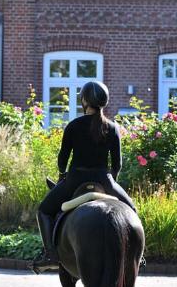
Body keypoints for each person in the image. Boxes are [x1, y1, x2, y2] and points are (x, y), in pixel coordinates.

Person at [32, 80, 137, 272]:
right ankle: (136, 254)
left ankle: (51, 255)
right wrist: (111, 180)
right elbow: (117, 164)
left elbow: (63, 158)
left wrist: (62, 175)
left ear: (84, 101)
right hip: (105, 181)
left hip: (75, 180)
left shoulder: (73, 126)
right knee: (132, 210)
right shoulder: (112, 128)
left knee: (43, 211)